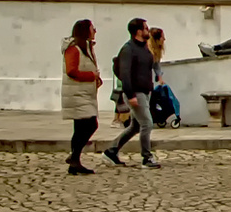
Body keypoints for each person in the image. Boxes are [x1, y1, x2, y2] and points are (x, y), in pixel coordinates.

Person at [105, 17, 160, 168]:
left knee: (135, 126)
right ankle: (146, 158)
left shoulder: (144, 48)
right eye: (145, 28)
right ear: (138, 31)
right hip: (136, 93)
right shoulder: (128, 49)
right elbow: (125, 73)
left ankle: (111, 150)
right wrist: (130, 95)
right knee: (147, 124)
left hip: (145, 91)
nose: (148, 30)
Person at [61, 19, 101, 175]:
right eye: (93, 28)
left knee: (80, 128)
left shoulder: (86, 48)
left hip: (84, 93)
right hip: (77, 94)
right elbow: (72, 71)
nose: (95, 31)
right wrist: (92, 75)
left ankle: (75, 161)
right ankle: (75, 157)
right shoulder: (74, 49)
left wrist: (96, 78)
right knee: (90, 124)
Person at [147, 27, 180, 128]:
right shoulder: (147, 51)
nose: (164, 39)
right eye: (162, 37)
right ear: (157, 39)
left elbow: (156, 65)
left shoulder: (156, 51)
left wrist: (160, 77)